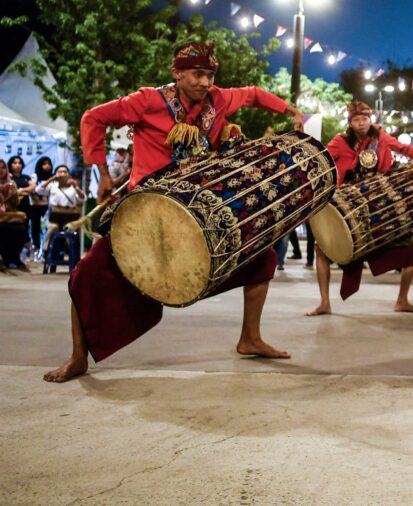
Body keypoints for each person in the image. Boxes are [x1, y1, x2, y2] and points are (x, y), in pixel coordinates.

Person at [43, 40, 306, 383]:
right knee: (86, 272)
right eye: (197, 74)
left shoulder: (219, 100)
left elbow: (254, 93)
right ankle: (78, 357)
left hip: (195, 209)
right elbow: (94, 118)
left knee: (262, 257)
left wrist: (292, 112)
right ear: (177, 73)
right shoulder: (149, 101)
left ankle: (249, 338)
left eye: (210, 75)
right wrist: (103, 173)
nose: (205, 82)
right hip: (144, 209)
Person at [305, 101, 413, 316]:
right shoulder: (340, 142)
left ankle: (402, 300)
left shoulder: (381, 138)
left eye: (364, 118)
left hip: (381, 204)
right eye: (356, 119)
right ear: (350, 123)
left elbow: (404, 149)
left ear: (371, 120)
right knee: (321, 250)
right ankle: (324, 302)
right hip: (348, 206)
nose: (361, 122)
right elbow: (320, 159)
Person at [36, 164, 85, 253]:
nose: (62, 174)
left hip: (69, 216)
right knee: (53, 227)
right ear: (55, 173)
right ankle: (46, 250)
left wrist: (76, 187)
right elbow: (38, 190)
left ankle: (71, 252)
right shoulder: (52, 185)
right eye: (60, 171)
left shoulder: (73, 186)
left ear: (68, 174)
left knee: (70, 228)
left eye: (65, 172)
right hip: (53, 216)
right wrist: (52, 179)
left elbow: (83, 198)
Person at [0, 158, 29, 270]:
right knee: (2, 228)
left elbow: (16, 204)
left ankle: (15, 258)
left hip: (9, 215)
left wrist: (13, 193)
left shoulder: (11, 183)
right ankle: (4, 259)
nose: (1, 170)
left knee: (20, 229)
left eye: (3, 167)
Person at [26, 156, 53, 257]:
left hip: (47, 206)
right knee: (35, 227)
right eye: (44, 164)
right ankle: (36, 248)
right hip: (34, 206)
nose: (47, 166)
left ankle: (46, 249)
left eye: (49, 164)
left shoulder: (52, 177)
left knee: (47, 227)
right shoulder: (34, 176)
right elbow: (35, 190)